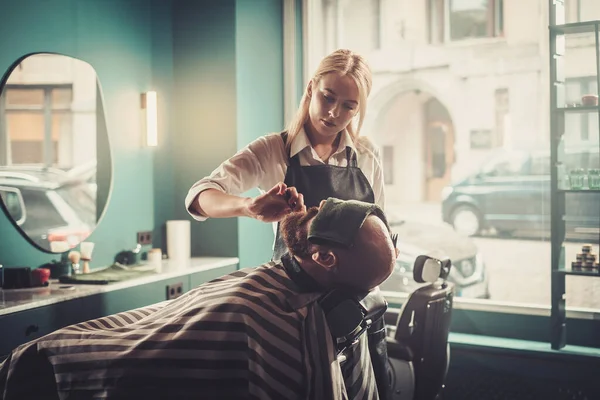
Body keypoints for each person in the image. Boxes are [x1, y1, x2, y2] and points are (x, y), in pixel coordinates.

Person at [0, 198, 398, 400]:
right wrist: (247, 205)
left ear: (323, 257)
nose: (305, 209)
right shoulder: (308, 305)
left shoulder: (264, 314)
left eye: (314, 216)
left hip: (54, 364)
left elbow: (137, 361)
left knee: (36, 354)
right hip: (134, 334)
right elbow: (200, 197)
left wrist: (41, 357)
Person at [185, 48, 385, 261]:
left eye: (348, 106)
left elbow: (380, 229)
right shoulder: (272, 150)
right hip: (292, 290)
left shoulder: (367, 154)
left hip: (357, 291)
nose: (334, 112)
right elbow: (199, 196)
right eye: (328, 98)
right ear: (311, 88)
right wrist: (248, 207)